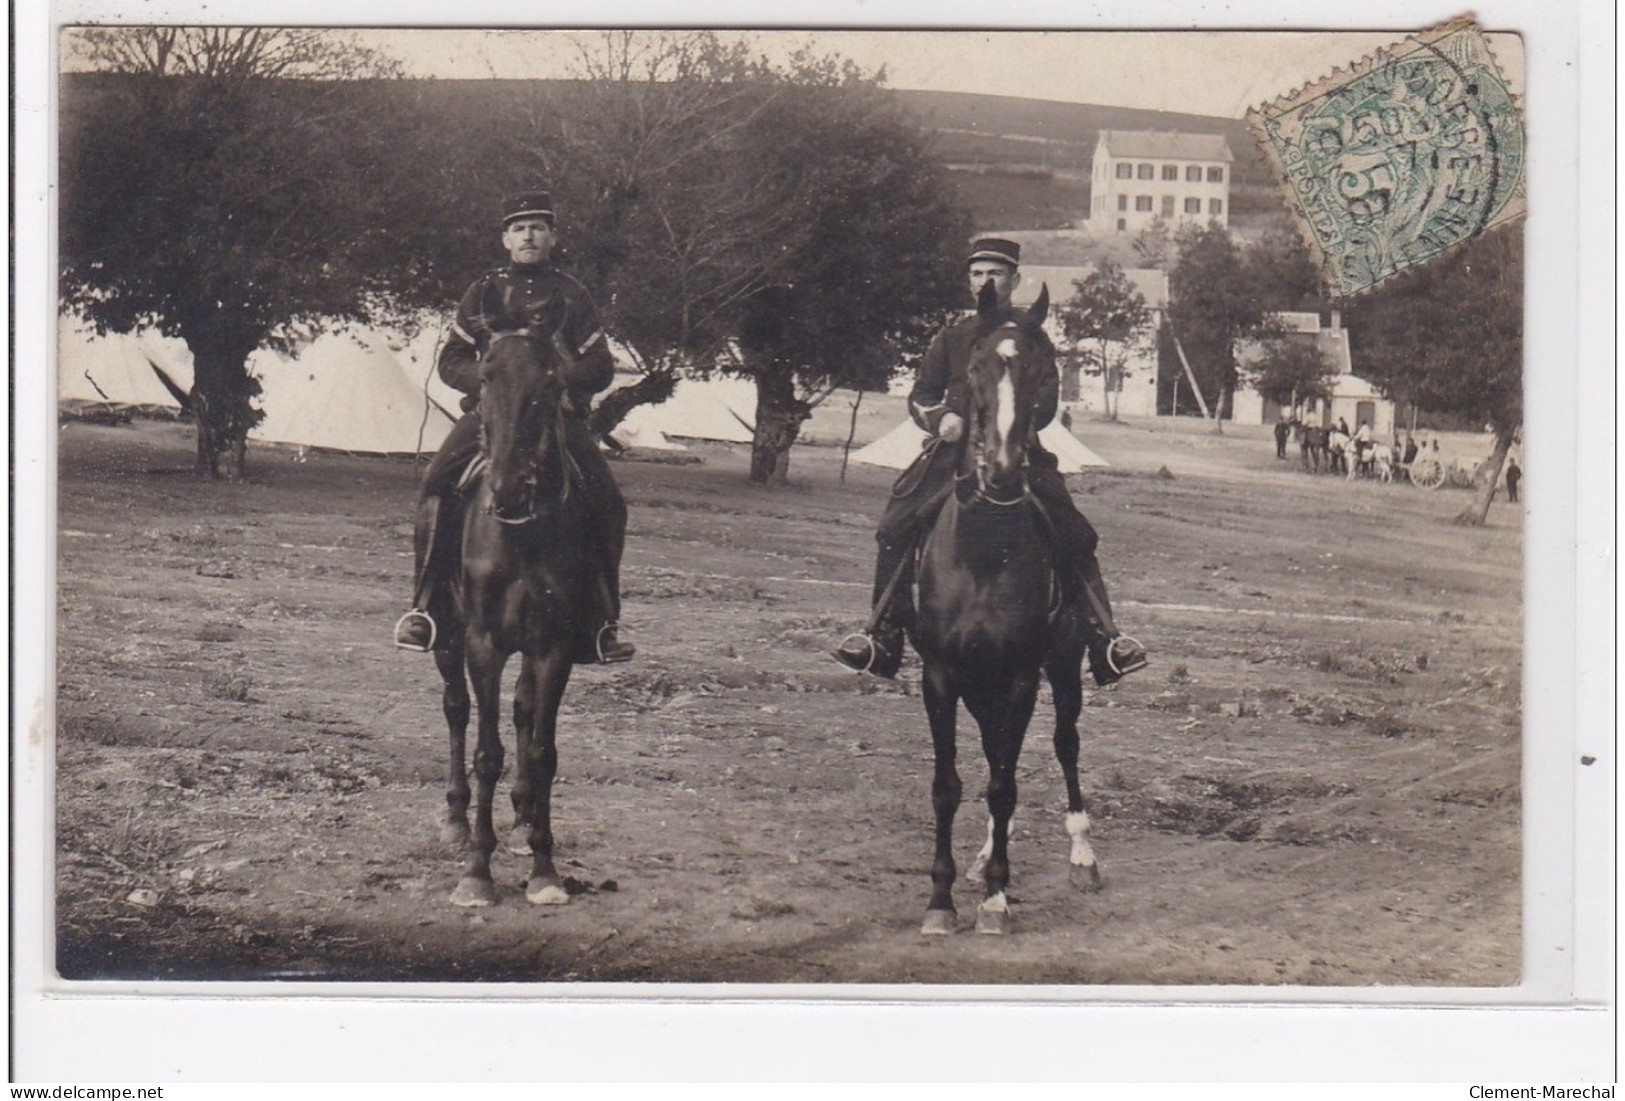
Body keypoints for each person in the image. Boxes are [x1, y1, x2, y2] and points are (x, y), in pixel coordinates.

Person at [832, 237, 1146, 686]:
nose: (986, 281)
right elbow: (920, 395)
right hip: (952, 455)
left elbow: (1046, 401)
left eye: (995, 273)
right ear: (969, 282)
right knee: (894, 525)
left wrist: (1012, 424)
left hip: (1018, 452)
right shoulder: (952, 337)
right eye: (978, 274)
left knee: (1076, 531)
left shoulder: (1033, 339)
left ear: (1014, 280)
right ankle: (882, 635)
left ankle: (1104, 639)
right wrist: (941, 419)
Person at [393, 191, 635, 664]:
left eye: (539, 227)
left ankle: (603, 621)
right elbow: (451, 360)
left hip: (556, 418)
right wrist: (488, 388)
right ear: (506, 238)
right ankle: (425, 609)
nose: (529, 236)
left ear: (553, 237)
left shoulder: (572, 294)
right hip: (492, 416)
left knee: (608, 500)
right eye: (519, 228)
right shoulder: (483, 291)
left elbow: (602, 365)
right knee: (436, 483)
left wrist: (558, 378)